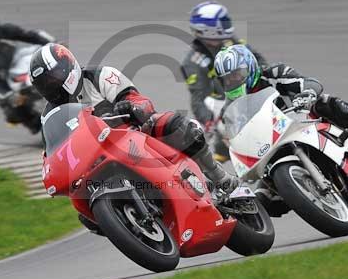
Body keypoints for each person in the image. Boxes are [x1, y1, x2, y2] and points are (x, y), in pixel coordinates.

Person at [29, 43, 239, 195]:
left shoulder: (98, 76)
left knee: (177, 125)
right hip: (94, 160)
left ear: (68, 69)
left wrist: (131, 106)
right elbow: (52, 150)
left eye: (53, 79)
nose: (51, 87)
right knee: (82, 205)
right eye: (44, 85)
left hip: (134, 133)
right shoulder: (49, 114)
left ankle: (218, 176)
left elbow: (140, 100)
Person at [214, 44, 348, 180]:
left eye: (237, 74)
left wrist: (306, 95)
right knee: (264, 197)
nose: (234, 80)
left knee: (329, 103)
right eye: (228, 79)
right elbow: (231, 134)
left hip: (301, 122)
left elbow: (311, 83)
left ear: (250, 67)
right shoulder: (230, 107)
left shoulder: (274, 74)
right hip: (271, 147)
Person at [181, 1, 266, 158]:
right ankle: (218, 170)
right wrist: (208, 121)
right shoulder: (192, 62)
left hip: (253, 91)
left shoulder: (229, 41)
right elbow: (198, 97)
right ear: (209, 30)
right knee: (227, 143)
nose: (228, 25)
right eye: (224, 22)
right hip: (226, 107)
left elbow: (257, 59)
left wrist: (266, 74)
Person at [0, 13, 55, 133]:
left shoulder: (6, 31)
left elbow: (30, 35)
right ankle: (36, 123)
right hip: (7, 81)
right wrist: (9, 95)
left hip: (21, 61)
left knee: (53, 61)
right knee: (12, 107)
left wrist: (53, 44)